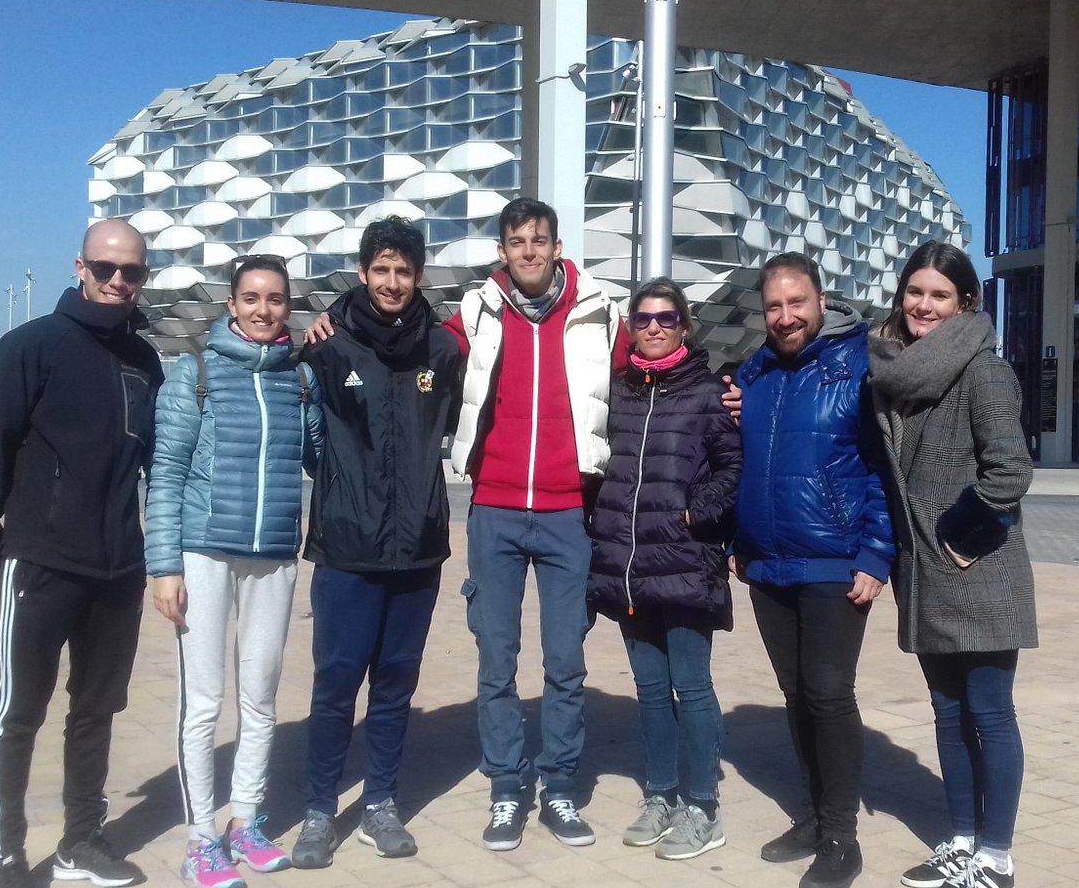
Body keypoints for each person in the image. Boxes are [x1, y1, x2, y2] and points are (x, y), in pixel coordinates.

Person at [0, 219, 162, 888]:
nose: (117, 281)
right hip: (42, 562)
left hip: (118, 570)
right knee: (18, 710)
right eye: (106, 267)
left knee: (96, 710)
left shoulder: (145, 361)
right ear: (80, 266)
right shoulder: (32, 346)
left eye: (131, 271)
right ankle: (7, 850)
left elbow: (156, 462)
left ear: (143, 276)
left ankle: (82, 841)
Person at [442, 197, 628, 851]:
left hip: (566, 511)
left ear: (556, 247)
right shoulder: (478, 309)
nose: (527, 251)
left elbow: (645, 372)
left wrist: (726, 390)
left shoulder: (597, 309)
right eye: (516, 241)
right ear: (501, 249)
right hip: (492, 507)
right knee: (496, 660)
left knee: (566, 661)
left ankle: (560, 787)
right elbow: (415, 353)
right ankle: (504, 788)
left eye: (538, 241)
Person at [144, 254, 325, 888]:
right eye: (251, 298)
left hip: (273, 553)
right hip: (204, 551)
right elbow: (164, 474)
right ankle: (200, 836)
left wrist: (325, 367)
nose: (263, 309)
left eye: (276, 299)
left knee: (261, 694)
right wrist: (164, 566)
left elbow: (319, 457)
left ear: (288, 309)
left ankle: (244, 819)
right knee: (204, 701)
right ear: (232, 304)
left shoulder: (298, 380)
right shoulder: (192, 374)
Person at [288, 216, 459, 868]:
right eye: (381, 269)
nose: (392, 281)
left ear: (417, 278)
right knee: (335, 684)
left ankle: (381, 801)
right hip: (347, 547)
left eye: (403, 270)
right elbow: (303, 434)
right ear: (363, 273)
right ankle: (317, 811)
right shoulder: (328, 348)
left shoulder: (441, 352)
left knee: (394, 682)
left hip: (418, 547)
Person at [868, 242, 1036, 888]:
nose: (924, 305)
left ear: (965, 301)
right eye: (916, 292)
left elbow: (1009, 471)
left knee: (989, 712)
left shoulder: (982, 370)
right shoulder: (891, 371)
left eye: (940, 294)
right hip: (926, 575)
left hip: (979, 567)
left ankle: (996, 854)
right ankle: (962, 839)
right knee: (945, 710)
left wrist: (958, 536)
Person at [729, 252, 894, 888]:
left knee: (829, 693)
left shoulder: (860, 366)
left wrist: (876, 555)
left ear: (822, 302)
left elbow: (885, 469)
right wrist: (737, 542)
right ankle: (814, 817)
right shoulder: (756, 373)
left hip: (834, 561)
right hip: (768, 564)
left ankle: (842, 836)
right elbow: (738, 461)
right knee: (797, 694)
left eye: (797, 303)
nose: (785, 316)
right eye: (774, 305)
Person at [587, 278, 742, 860]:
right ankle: (661, 794)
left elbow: (732, 468)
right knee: (651, 691)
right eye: (644, 318)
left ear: (685, 325)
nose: (654, 327)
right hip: (630, 567)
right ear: (631, 326)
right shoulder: (620, 392)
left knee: (691, 685)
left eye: (667, 317)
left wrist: (691, 515)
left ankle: (702, 806)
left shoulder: (708, 393)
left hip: (682, 563)